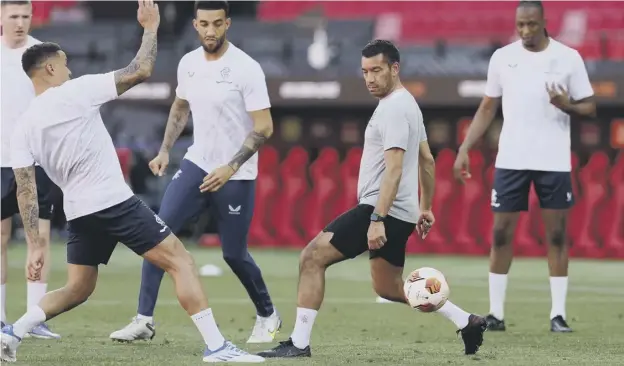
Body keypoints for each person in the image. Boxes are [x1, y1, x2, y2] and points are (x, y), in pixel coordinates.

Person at [0, 1, 264, 363]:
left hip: (79, 213)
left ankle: (13, 332)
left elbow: (26, 190)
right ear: (49, 68)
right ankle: (217, 347)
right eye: (64, 65)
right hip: (113, 202)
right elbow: (140, 69)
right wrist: (151, 28)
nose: (70, 70)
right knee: (181, 261)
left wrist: (34, 245)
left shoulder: (23, 127)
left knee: (78, 288)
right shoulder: (77, 92)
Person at [257, 40, 487, 359]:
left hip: (381, 209)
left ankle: (298, 343)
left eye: (377, 70)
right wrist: (425, 207)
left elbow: (393, 170)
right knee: (389, 288)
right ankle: (466, 320)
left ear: (395, 68)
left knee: (311, 257)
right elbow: (428, 161)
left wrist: (377, 219)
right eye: (365, 72)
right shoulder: (409, 104)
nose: (370, 79)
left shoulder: (393, 107)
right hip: (402, 212)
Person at [109, 0, 280, 344]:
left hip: (236, 174)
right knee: (156, 235)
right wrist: (165, 150)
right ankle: (144, 320)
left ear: (228, 23)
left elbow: (265, 127)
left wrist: (230, 167)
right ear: (195, 25)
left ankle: (267, 313)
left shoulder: (247, 68)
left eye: (217, 24)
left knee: (233, 254)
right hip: (196, 164)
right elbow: (181, 106)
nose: (211, 31)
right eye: (204, 24)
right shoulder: (188, 63)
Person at [453, 1, 596, 333]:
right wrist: (465, 148)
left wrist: (567, 104)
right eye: (521, 25)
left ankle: (557, 315)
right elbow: (488, 107)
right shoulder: (503, 57)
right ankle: (496, 315)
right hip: (511, 160)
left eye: (532, 24)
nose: (526, 31)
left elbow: (589, 107)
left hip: (554, 160)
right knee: (501, 233)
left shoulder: (568, 57)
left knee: (557, 235)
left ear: (544, 21)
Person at [0, 0, 60, 340]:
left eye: (25, 16)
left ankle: (35, 319)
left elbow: (63, 100)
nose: (20, 23)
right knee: (1, 239)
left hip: (36, 161)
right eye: (13, 16)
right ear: (1, 17)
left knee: (40, 237)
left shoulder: (44, 55)